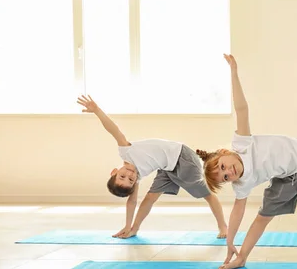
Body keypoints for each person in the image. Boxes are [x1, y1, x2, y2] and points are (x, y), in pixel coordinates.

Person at [196, 54, 297, 269]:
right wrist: (230, 242)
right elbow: (237, 212)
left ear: (223, 153)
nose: (229, 172)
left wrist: (234, 73)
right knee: (263, 217)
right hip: (285, 177)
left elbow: (241, 109)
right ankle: (241, 258)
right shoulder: (242, 184)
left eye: (223, 167)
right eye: (226, 177)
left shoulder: (242, 142)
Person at [77, 95, 228, 239]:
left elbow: (114, 130)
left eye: (122, 176)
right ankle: (135, 229)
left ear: (114, 171)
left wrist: (97, 110)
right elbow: (132, 201)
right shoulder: (136, 176)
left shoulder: (126, 151)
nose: (129, 175)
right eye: (130, 181)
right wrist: (128, 226)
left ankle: (223, 226)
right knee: (149, 198)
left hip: (182, 158)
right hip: (167, 168)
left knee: (206, 194)